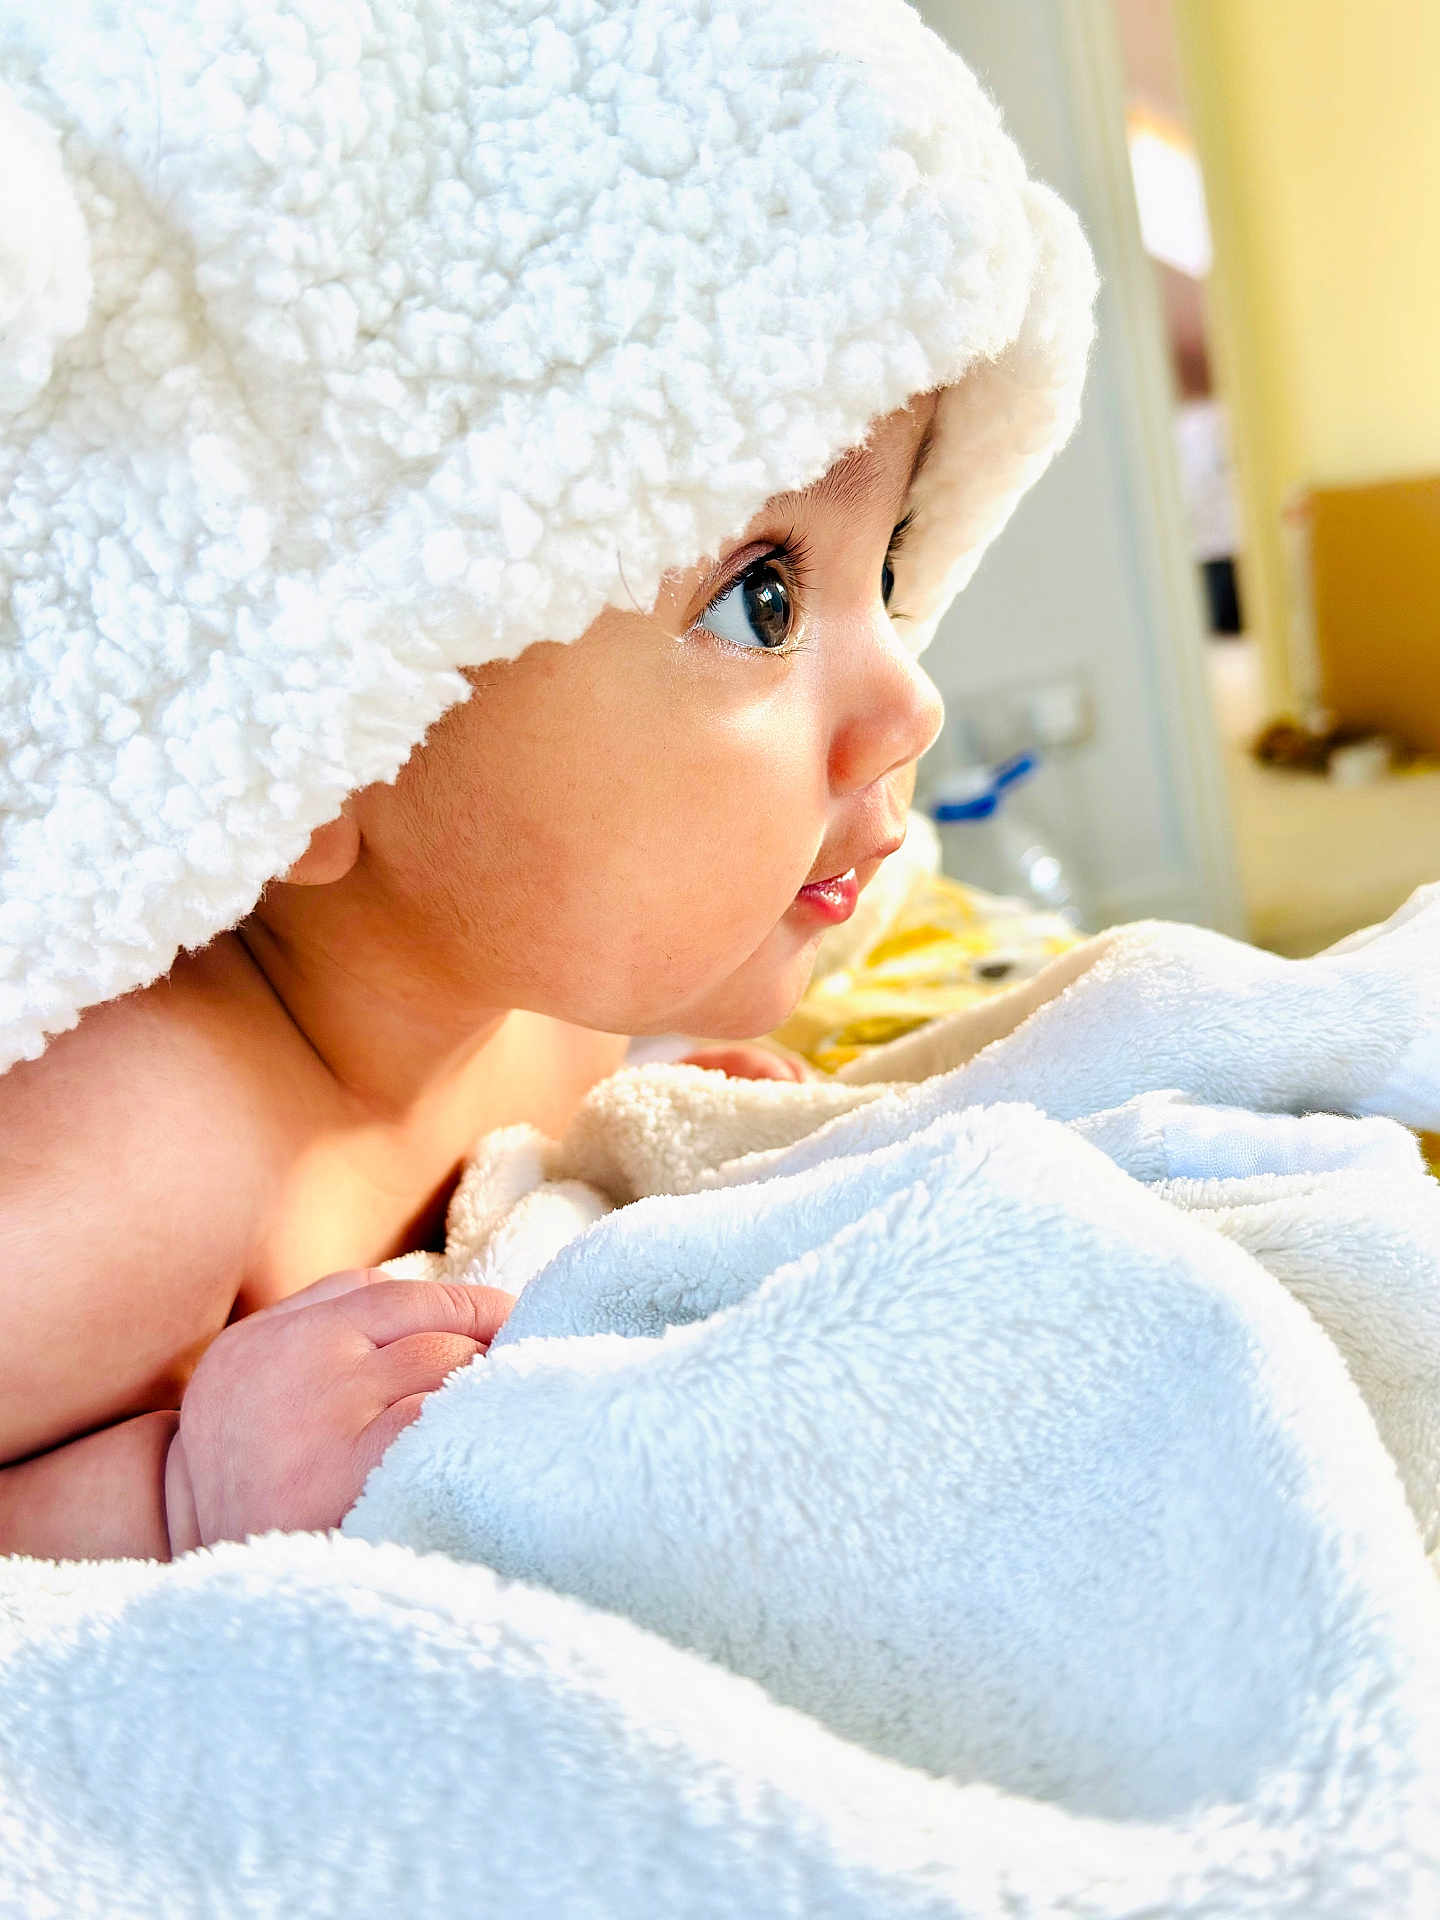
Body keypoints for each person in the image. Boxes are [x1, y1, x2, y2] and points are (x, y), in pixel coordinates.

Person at [0, 0, 1096, 1561]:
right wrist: (166, 1499)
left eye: (894, 560)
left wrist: (631, 1163)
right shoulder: (136, 1166)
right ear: (325, 742)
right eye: (761, 598)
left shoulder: (548, 1016)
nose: (910, 699)